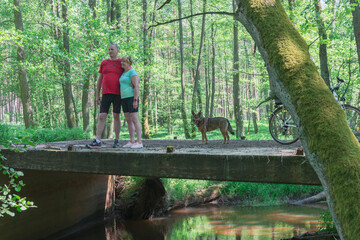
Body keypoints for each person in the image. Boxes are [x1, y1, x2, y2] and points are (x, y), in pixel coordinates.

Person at [88, 44, 123, 148]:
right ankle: (98, 140)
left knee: (116, 116)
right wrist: (97, 95)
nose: (110, 51)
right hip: (106, 94)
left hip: (118, 94)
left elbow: (129, 73)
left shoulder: (121, 62)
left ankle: (116, 140)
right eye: (109, 49)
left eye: (112, 49)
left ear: (117, 50)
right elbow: (100, 80)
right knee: (101, 116)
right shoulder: (104, 63)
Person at [120, 56, 143, 148]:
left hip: (131, 98)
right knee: (128, 120)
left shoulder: (132, 72)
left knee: (134, 119)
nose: (122, 63)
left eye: (124, 62)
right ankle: (132, 141)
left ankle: (139, 142)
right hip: (124, 98)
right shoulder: (123, 73)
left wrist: (135, 100)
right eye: (121, 62)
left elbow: (136, 86)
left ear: (129, 63)